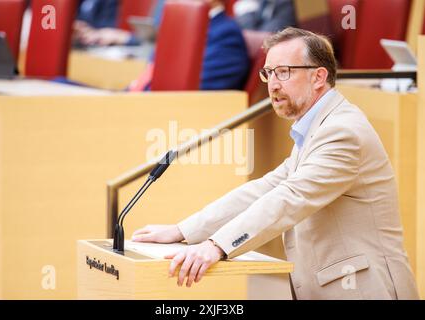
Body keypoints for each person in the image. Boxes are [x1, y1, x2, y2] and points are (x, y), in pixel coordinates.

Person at [131, 27, 419, 300]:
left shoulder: (341, 132)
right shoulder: (318, 126)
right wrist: (184, 231)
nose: (273, 85)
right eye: (269, 73)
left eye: (284, 72)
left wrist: (217, 246)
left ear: (318, 77)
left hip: (364, 289)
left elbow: (290, 198)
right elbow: (267, 188)